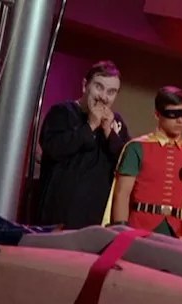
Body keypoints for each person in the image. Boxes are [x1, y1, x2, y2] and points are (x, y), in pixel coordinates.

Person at [110, 86, 182, 237]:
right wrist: (121, 231)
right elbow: (122, 193)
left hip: (174, 231)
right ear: (158, 114)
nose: (180, 120)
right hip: (139, 227)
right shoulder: (137, 147)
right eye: (173, 114)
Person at [36, 60, 130, 229]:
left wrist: (109, 133)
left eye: (111, 92)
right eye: (99, 87)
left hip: (95, 220)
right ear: (85, 85)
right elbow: (53, 149)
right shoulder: (61, 112)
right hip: (58, 217)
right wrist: (90, 125)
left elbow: (127, 164)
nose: (104, 97)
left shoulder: (116, 123)